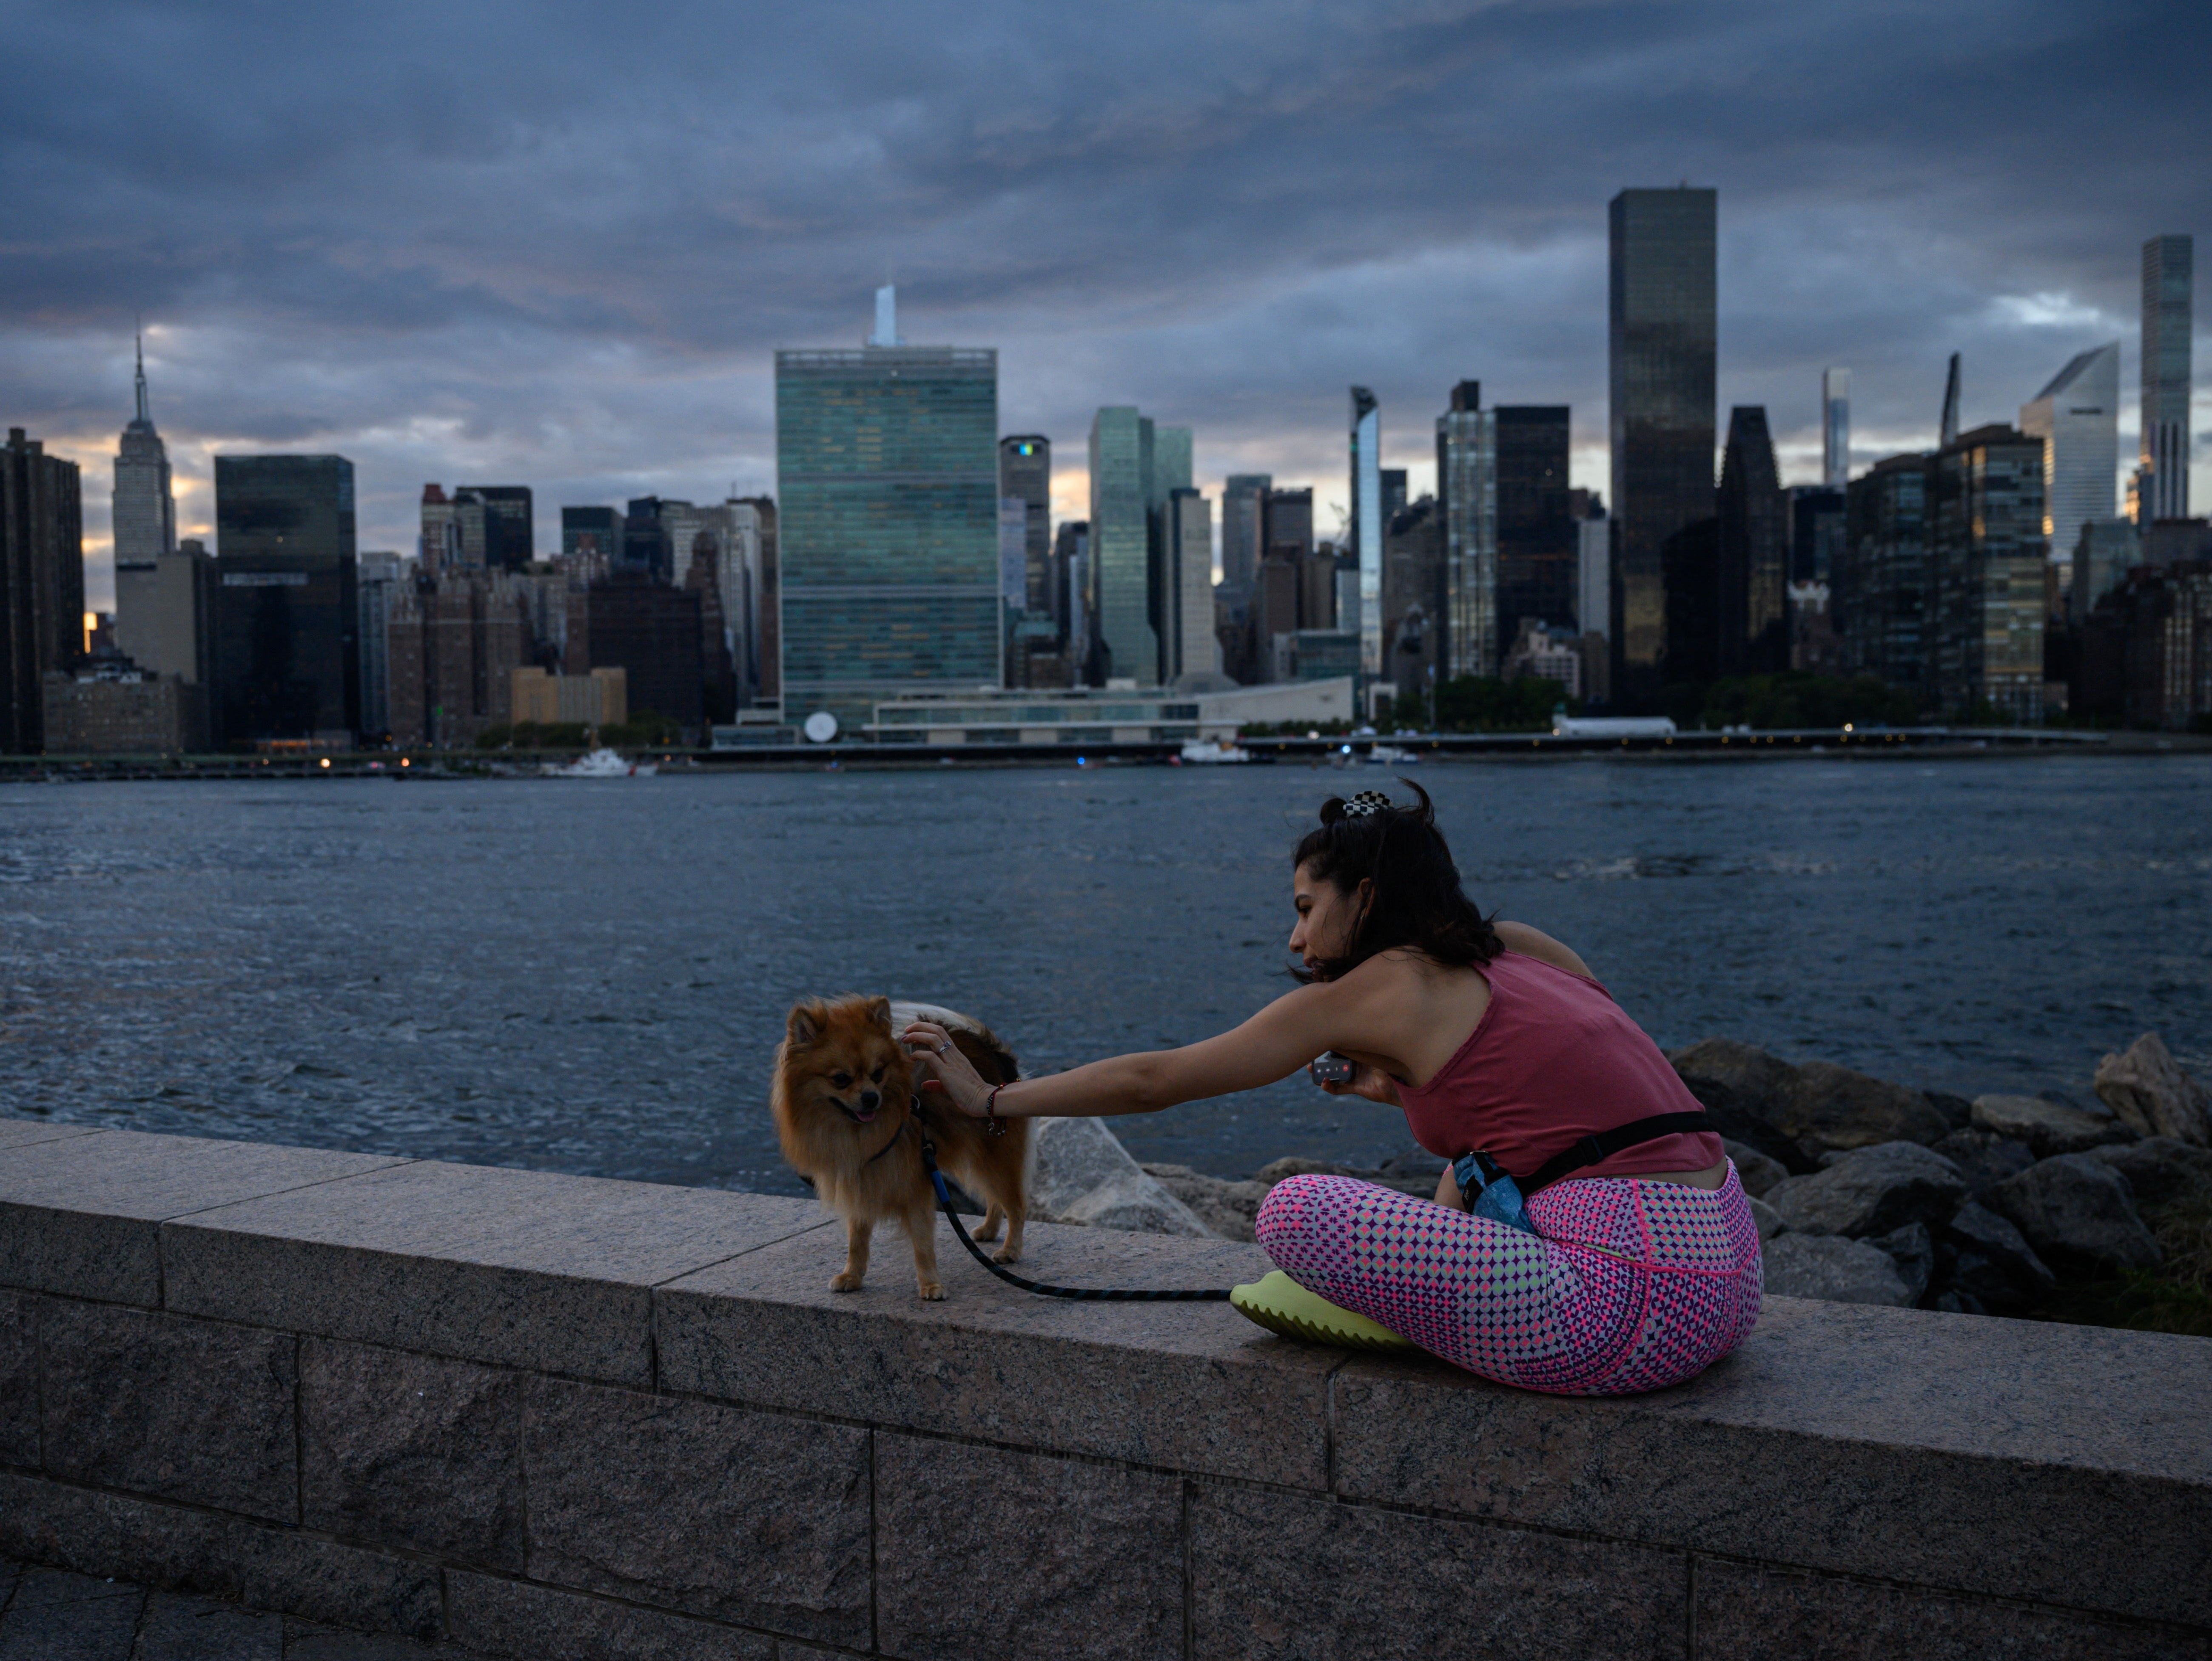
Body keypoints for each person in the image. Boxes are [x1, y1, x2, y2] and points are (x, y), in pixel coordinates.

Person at [901, 784, 1762, 1396]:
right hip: (1730, 1272)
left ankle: (1417, 1313)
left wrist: (986, 1102)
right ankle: (1435, 1304)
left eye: (1309, 906)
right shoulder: (1517, 945)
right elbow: (1576, 1102)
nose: (1297, 931)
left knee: (1294, 1211)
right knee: (1470, 1168)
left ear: (1369, 898)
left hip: (1630, 1309)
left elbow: (1156, 1079)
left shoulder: (1377, 988)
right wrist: (1390, 1093)